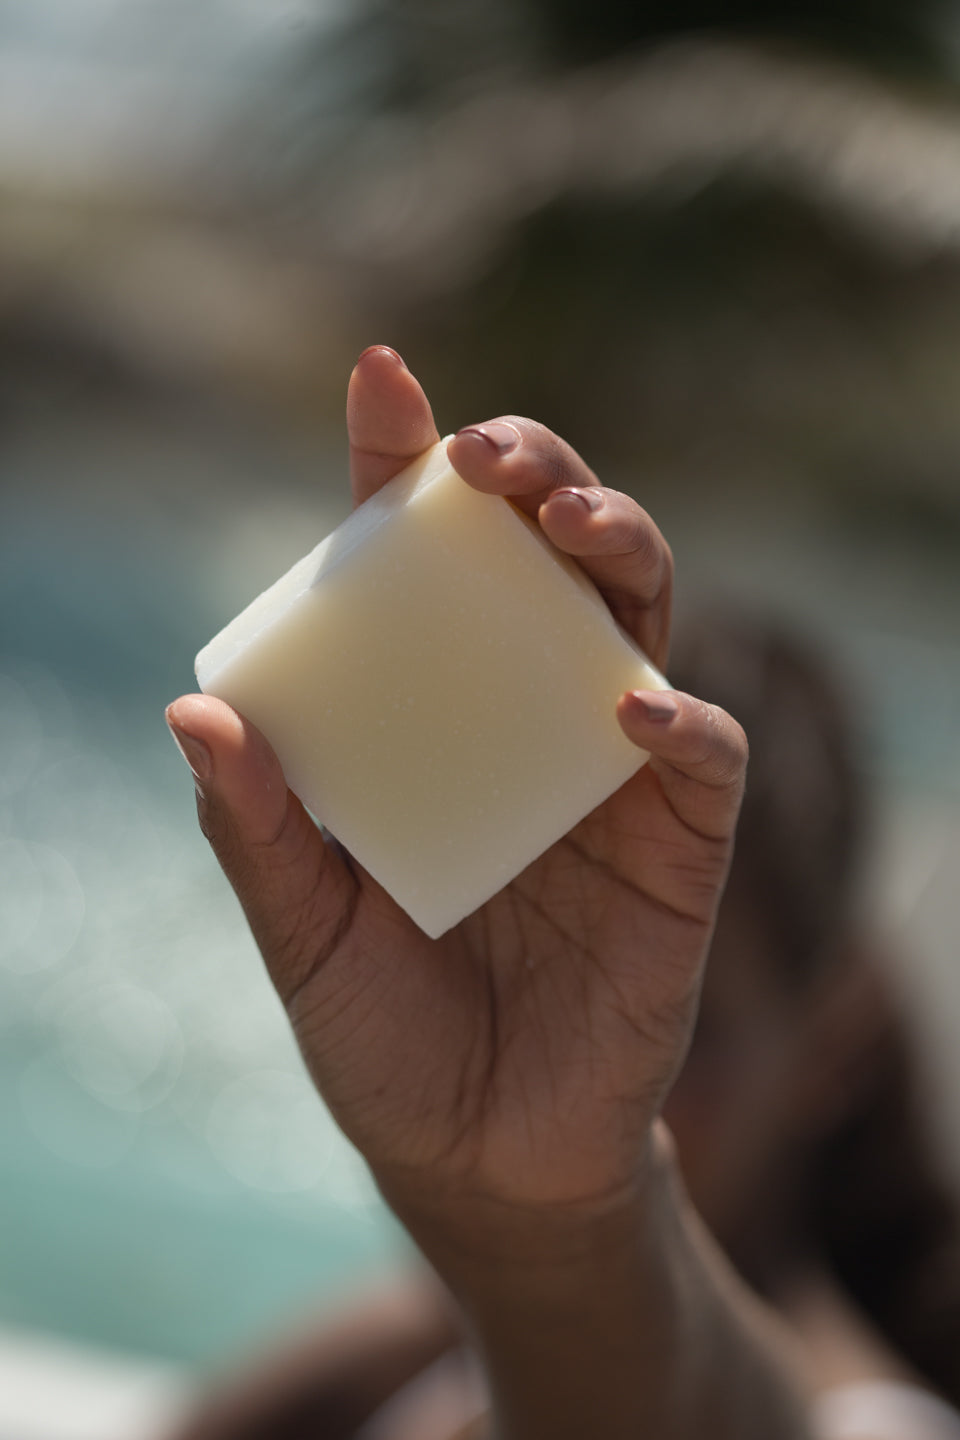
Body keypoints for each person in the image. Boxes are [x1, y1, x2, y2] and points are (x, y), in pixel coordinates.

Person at [165, 345, 960, 1439]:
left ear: (838, 1039)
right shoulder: (406, 1353)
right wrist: (508, 1227)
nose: (640, 1090)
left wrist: (548, 1221)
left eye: (691, 1029)